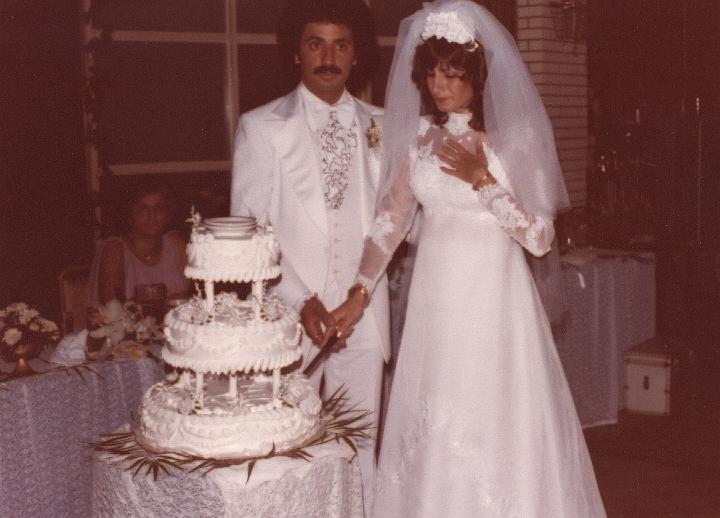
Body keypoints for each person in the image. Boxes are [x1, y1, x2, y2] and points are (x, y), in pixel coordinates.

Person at [332, 1, 607, 516]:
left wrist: (484, 181)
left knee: (491, 411)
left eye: (452, 74)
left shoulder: (514, 140)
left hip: (495, 304)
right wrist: (358, 291)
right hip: (436, 302)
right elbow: (389, 223)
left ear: (477, 78)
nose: (438, 85)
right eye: (432, 72)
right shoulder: (419, 139)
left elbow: (540, 237)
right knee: (435, 411)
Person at [229, 1, 389, 512]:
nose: (328, 56)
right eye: (315, 43)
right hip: (290, 319)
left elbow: (393, 225)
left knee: (359, 447)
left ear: (356, 54)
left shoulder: (385, 126)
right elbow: (252, 232)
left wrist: (359, 298)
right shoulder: (260, 127)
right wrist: (301, 301)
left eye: (341, 44)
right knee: (286, 451)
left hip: (364, 313)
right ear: (295, 53)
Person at [87, 183, 190, 309]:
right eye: (143, 208)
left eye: (159, 208)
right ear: (130, 215)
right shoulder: (114, 249)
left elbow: (196, 296)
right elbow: (112, 309)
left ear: (168, 213)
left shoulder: (176, 243)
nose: (152, 215)